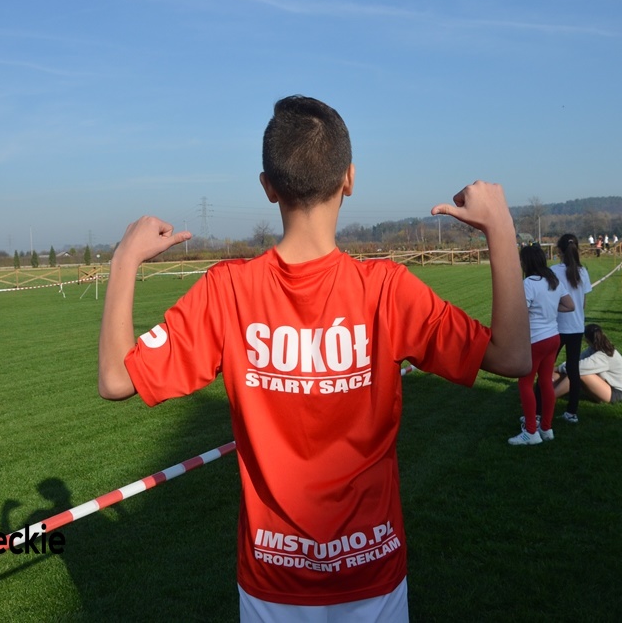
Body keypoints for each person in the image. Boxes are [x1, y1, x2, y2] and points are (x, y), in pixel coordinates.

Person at [97, 95, 532, 620]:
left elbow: (116, 379)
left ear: (268, 187)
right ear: (349, 179)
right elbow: (513, 356)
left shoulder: (227, 291)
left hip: (271, 583)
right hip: (373, 576)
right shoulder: (387, 290)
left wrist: (124, 260)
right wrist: (500, 228)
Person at [512, 244, 574, 445]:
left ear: (526, 262)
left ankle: (531, 431)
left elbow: (520, 314)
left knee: (525, 384)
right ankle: (546, 428)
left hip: (535, 340)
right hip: (553, 337)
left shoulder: (528, 283)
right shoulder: (553, 280)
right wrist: (551, 310)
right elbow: (570, 305)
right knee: (545, 382)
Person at [550, 234, 592, 423]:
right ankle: (572, 412)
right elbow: (583, 304)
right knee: (573, 370)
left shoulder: (553, 271)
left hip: (557, 328)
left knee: (545, 370)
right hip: (576, 327)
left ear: (559, 251)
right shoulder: (583, 272)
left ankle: (539, 410)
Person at [551, 324, 622, 405]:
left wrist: (558, 368)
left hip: (615, 392)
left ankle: (550, 398)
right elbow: (577, 361)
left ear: (587, 340)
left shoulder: (604, 355)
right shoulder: (593, 348)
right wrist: (558, 370)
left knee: (579, 373)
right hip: (604, 385)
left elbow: (578, 368)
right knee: (567, 371)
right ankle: (546, 390)